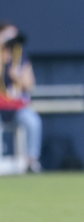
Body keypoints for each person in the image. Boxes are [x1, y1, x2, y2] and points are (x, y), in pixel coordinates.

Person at [0, 23, 43, 173]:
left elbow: (30, 84)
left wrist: (16, 76)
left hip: (17, 108)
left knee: (33, 121)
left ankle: (31, 161)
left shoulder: (21, 56)